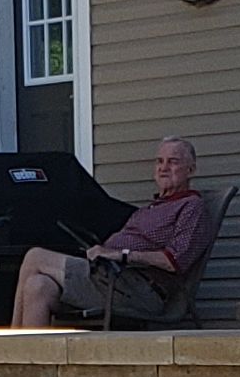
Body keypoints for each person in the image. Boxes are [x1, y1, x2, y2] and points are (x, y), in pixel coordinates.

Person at [11, 135, 211, 328]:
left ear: (191, 170)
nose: (163, 168)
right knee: (37, 286)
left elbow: (174, 261)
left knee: (35, 256)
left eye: (173, 162)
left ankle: (6, 342)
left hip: (138, 289)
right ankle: (30, 361)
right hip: (111, 279)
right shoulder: (151, 208)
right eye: (160, 161)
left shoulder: (191, 207)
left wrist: (121, 255)